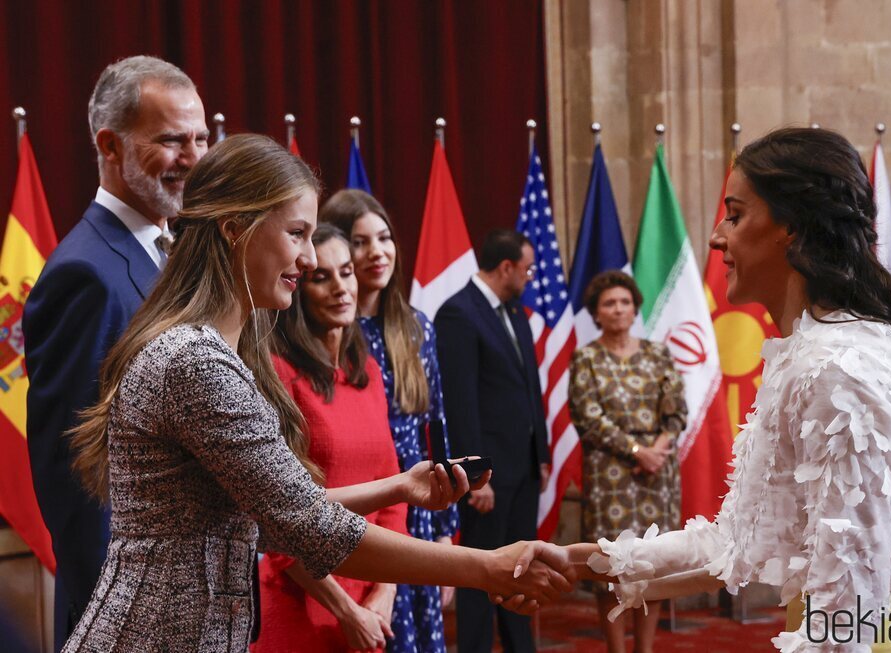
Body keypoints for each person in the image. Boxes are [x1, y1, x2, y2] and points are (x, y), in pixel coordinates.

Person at [61, 134, 569, 653]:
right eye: (297, 234)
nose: (307, 260)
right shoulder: (195, 361)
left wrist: (396, 488)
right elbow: (308, 526)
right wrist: (490, 567)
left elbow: (274, 512)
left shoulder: (211, 351)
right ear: (235, 230)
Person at [515, 127, 891, 652]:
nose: (716, 236)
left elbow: (853, 604)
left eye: (736, 213)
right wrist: (584, 559)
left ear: (789, 227)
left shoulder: (841, 369)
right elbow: (736, 541)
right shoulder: (808, 356)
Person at [22, 55, 208, 649]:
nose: (196, 158)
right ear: (110, 144)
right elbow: (75, 475)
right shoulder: (86, 274)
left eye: (202, 138)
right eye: (173, 140)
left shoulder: (172, 251)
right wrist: (121, 619)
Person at [254, 222, 406, 652]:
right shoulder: (278, 373)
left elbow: (393, 492)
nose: (341, 288)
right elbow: (275, 511)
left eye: (347, 272)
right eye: (321, 278)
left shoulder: (369, 372)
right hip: (302, 601)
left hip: (370, 604)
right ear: (298, 289)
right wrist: (344, 609)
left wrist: (385, 592)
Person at [324, 189, 458, 653]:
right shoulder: (330, 330)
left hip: (417, 503)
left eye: (384, 238)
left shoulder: (416, 325)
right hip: (361, 496)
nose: (376, 252)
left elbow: (436, 422)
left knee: (419, 632)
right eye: (360, 242)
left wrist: (445, 532)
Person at [435, 229, 550, 653]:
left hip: (523, 468)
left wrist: (542, 453)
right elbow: (460, 401)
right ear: (506, 268)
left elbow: (530, 386)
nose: (531, 277)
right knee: (481, 573)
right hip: (489, 477)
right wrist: (475, 474)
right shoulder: (458, 313)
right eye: (527, 269)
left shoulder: (515, 312)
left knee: (522, 568)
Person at [569, 270, 686, 653]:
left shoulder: (657, 353)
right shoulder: (586, 358)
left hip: (658, 474)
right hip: (610, 473)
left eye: (624, 302)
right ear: (596, 313)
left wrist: (657, 450)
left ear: (635, 308)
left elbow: (676, 412)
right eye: (609, 303)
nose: (618, 309)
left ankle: (645, 648)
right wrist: (638, 452)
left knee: (653, 566)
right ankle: (617, 649)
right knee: (612, 566)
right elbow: (588, 417)